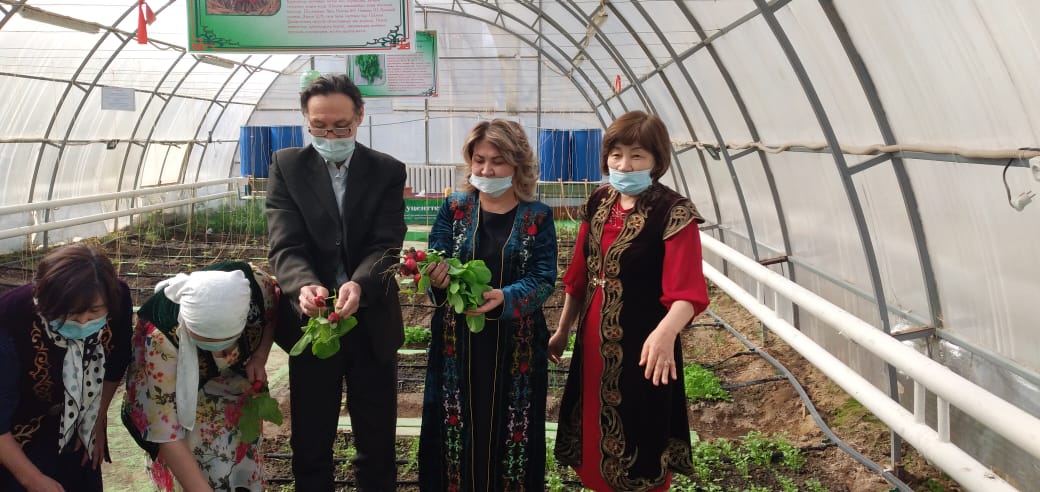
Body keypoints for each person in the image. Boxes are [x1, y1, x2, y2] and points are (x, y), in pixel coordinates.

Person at [548, 111, 710, 491]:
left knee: (641, 433)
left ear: (656, 160)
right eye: (616, 154)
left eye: (637, 155)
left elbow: (688, 293)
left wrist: (665, 335)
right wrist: (562, 329)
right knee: (592, 428)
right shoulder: (598, 202)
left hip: (646, 347)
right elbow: (578, 277)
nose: (624, 165)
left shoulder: (674, 212)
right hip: (592, 342)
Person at [266, 73, 407, 491]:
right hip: (314, 324)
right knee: (311, 442)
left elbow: (386, 244)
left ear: (360, 116)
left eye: (341, 126)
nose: (330, 136)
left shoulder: (386, 170)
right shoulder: (287, 166)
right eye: (320, 127)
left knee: (376, 443)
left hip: (372, 320)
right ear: (306, 121)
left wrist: (360, 284)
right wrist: (304, 286)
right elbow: (285, 244)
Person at [418, 119, 558, 491]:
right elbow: (437, 257)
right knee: (456, 428)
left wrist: (505, 297)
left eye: (497, 161)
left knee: (512, 434)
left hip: (516, 347)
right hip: (458, 343)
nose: (486, 170)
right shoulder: (455, 208)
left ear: (517, 164)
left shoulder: (537, 216)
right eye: (479, 160)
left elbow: (543, 278)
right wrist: (436, 277)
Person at [121, 262, 278, 491]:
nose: (222, 354)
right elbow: (165, 431)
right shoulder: (157, 338)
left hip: (233, 384)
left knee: (240, 456)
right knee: (198, 464)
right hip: (177, 394)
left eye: (227, 342)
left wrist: (260, 356)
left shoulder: (257, 287)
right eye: (207, 343)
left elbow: (272, 316)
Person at [0, 244, 132, 491]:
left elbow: (116, 361)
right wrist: (33, 479)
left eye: (94, 312)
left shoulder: (117, 299)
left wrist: (97, 417)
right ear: (48, 303)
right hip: (17, 433)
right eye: (71, 314)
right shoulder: (10, 320)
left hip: (78, 418)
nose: (83, 322)